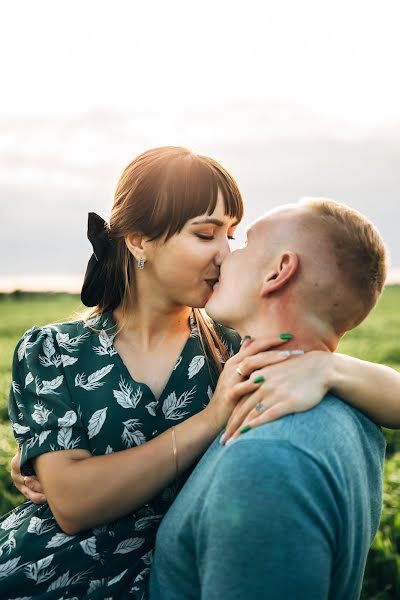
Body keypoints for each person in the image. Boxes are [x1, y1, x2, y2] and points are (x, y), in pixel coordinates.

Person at [1, 148, 400, 600]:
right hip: (47, 574)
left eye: (231, 236)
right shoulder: (53, 349)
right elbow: (73, 505)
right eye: (206, 234)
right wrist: (209, 420)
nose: (225, 255)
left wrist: (328, 366)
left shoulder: (231, 346)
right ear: (137, 241)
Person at [149, 198, 390, 600]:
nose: (224, 256)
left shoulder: (268, 459)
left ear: (278, 272)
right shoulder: (351, 407)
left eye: (242, 242)